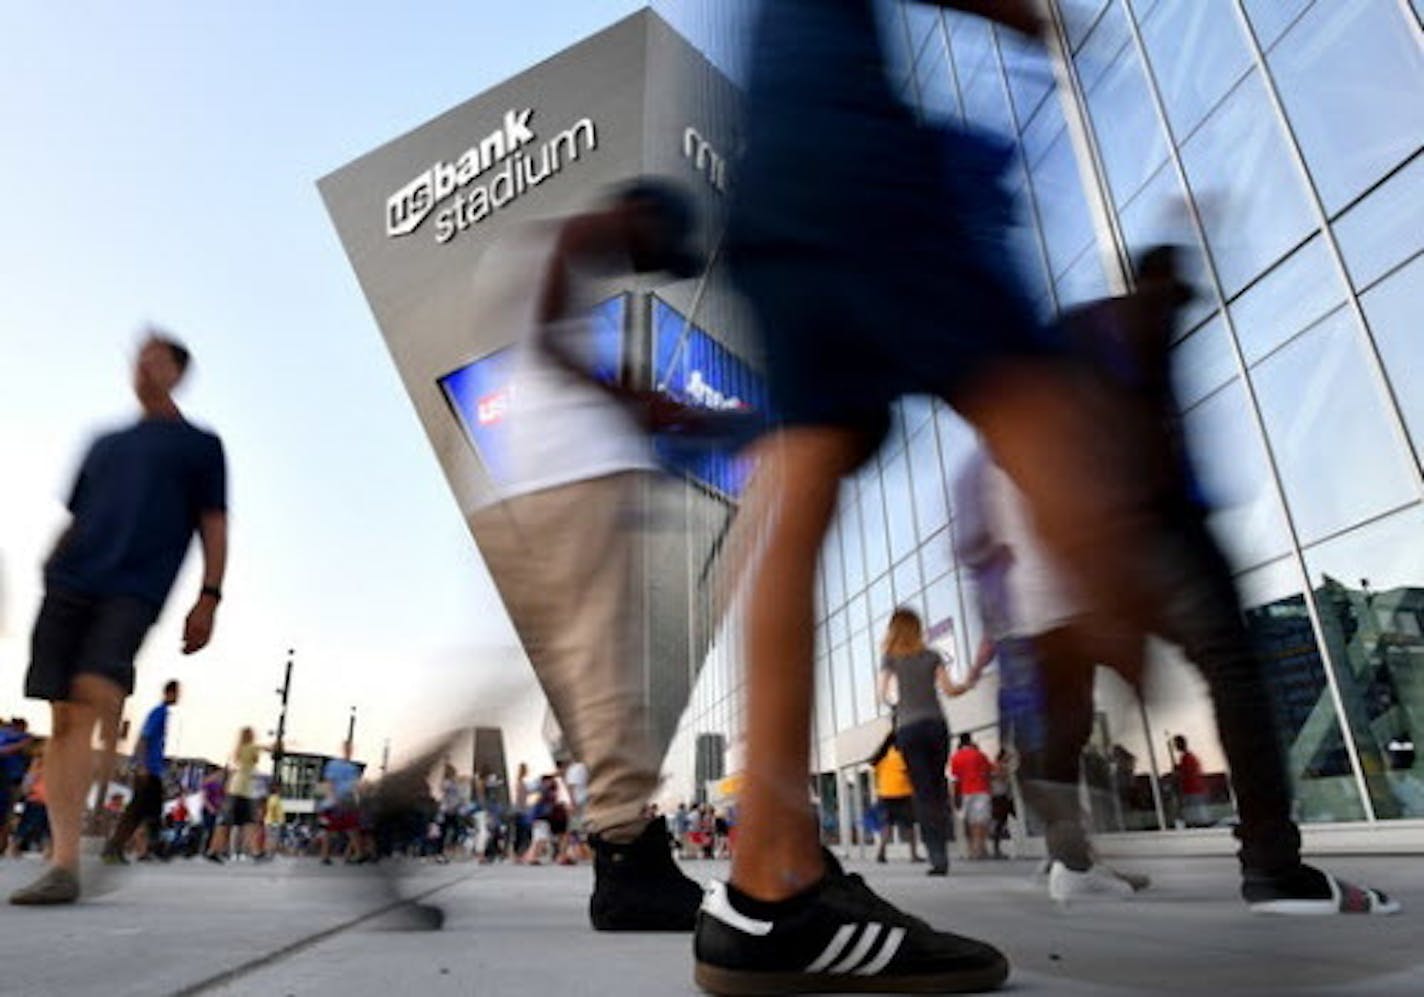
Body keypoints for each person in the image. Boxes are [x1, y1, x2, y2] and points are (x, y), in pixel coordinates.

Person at [465, 181, 708, 930]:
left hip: (524, 485)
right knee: (608, 669)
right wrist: (637, 405)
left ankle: (390, 807)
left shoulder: (541, 255)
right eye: (649, 249)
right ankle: (629, 860)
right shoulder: (565, 239)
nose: (641, 264)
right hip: (575, 481)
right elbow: (544, 342)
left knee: (527, 674)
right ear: (635, 214)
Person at [11, 333, 226, 906]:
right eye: (139, 356)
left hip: (133, 588)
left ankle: (104, 781)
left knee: (91, 691)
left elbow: (214, 522)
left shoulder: (200, 446)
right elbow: (77, 512)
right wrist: (51, 562)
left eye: (158, 357)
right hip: (70, 582)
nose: (144, 365)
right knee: (61, 718)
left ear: (179, 372)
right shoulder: (104, 443)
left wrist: (210, 595)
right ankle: (63, 865)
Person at [876, 610, 985, 875]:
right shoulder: (932, 655)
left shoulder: (891, 659)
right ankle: (943, 846)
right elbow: (949, 690)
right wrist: (969, 683)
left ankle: (938, 858)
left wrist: (898, 706)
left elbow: (882, 694)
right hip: (936, 727)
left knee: (923, 794)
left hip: (909, 729)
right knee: (937, 789)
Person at [103, 680, 180, 866]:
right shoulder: (159, 712)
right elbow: (144, 738)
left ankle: (149, 848)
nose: (178, 697)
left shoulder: (163, 713)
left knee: (151, 811)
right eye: (176, 693)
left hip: (155, 769)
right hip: (149, 770)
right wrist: (141, 764)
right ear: (169, 693)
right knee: (136, 812)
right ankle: (113, 848)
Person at [206, 727, 271, 862]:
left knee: (226, 823)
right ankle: (256, 852)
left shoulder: (237, 749)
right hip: (245, 789)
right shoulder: (251, 747)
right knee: (250, 822)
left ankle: (213, 850)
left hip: (235, 787)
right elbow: (268, 748)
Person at [868, 731, 919, 865]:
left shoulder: (880, 758)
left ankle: (881, 852)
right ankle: (913, 855)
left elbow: (877, 774)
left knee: (887, 825)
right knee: (909, 826)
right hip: (901, 793)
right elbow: (909, 774)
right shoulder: (900, 756)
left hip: (884, 794)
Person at [317, 742, 365, 865]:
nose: (349, 751)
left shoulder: (353, 768)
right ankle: (325, 855)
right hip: (336, 800)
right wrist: (331, 797)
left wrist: (356, 799)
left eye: (350, 749)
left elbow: (356, 786)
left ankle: (358, 854)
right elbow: (329, 782)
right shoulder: (334, 764)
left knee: (351, 827)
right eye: (347, 748)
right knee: (330, 829)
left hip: (347, 799)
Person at [950, 734, 994, 861]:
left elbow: (955, 779)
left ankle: (970, 850)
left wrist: (955, 797)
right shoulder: (980, 755)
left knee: (968, 822)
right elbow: (989, 771)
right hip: (981, 790)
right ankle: (980, 848)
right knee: (980, 821)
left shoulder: (956, 757)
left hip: (965, 791)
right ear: (970, 741)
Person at [0, 717, 34, 854]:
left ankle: (5, 846)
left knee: (7, 814)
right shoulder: (9, 736)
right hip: (8, 780)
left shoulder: (20, 738)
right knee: (6, 814)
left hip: (12, 781)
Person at [1173, 735, 1210, 828]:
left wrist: (1178, 770)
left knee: (1197, 814)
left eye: (1176, 744)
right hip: (1193, 789)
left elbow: (1187, 773)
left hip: (1193, 790)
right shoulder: (1188, 757)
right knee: (1195, 813)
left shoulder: (1187, 757)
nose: (1175, 746)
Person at [989, 750, 1016, 860]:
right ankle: (996, 849)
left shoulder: (1000, 767)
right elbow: (1000, 777)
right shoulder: (998, 767)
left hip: (1002, 796)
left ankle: (997, 848)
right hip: (999, 797)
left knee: (1001, 822)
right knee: (999, 822)